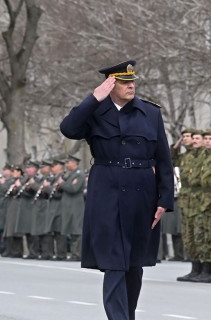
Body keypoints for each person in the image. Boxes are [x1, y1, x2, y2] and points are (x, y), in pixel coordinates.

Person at [59, 60, 174, 320]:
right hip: (107, 193)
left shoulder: (150, 113)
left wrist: (164, 199)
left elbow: (164, 159)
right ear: (110, 84)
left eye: (133, 81)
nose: (131, 85)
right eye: (124, 81)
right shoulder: (94, 112)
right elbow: (68, 129)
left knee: (134, 266)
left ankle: (127, 315)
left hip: (142, 194)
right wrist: (93, 98)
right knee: (114, 264)